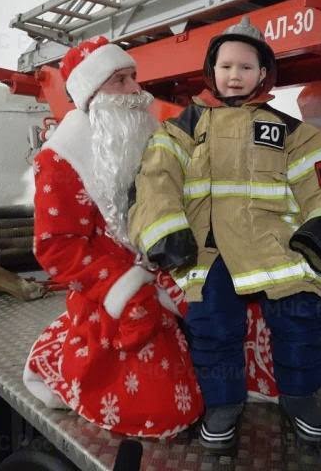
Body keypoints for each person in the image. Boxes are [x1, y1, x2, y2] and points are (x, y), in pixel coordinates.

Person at [129, 17, 321, 452]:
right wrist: (167, 233)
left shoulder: (295, 133)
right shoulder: (179, 128)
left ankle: (300, 398)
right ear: (211, 71)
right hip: (209, 251)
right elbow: (155, 183)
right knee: (212, 328)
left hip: (279, 249)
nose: (235, 75)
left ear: (264, 74)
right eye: (226, 66)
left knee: (302, 318)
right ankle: (222, 405)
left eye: (247, 67)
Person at [22, 36, 203, 438]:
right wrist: (124, 287)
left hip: (167, 272)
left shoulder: (147, 135)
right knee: (167, 409)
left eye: (134, 78)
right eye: (120, 81)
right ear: (92, 93)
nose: (136, 91)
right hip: (113, 290)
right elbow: (57, 247)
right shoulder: (61, 159)